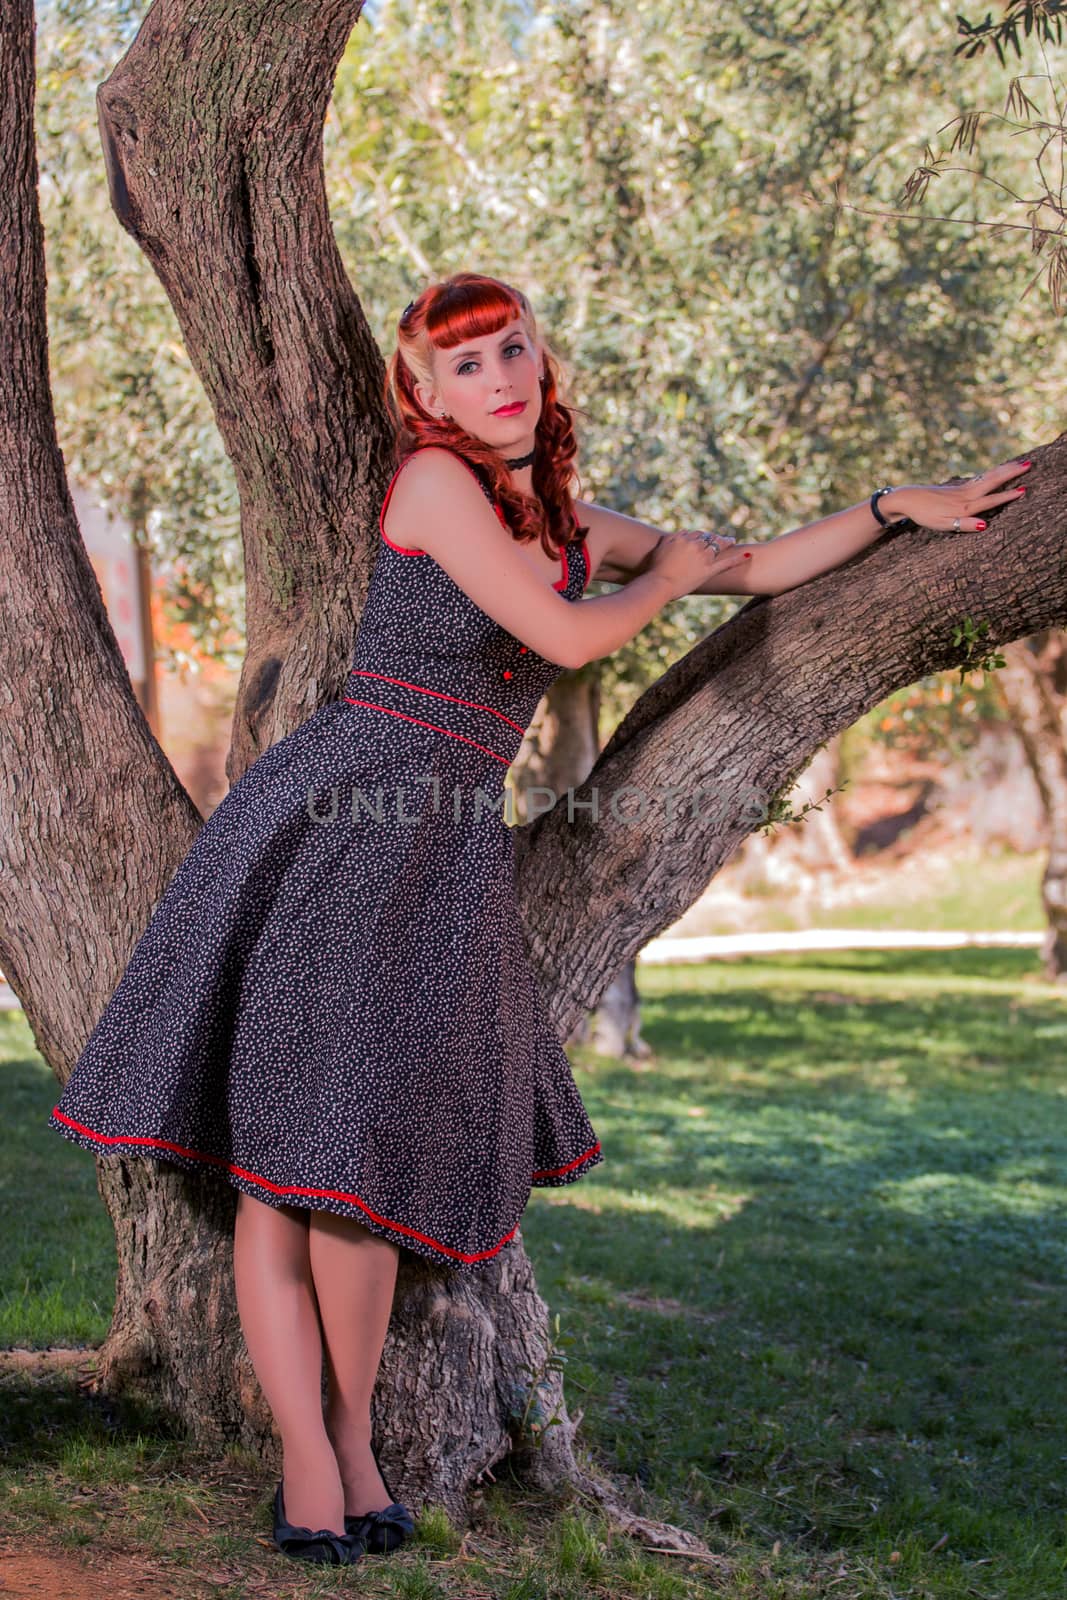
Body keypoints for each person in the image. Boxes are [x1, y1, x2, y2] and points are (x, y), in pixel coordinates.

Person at [47, 269, 1031, 1565]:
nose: (499, 379)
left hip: (438, 843)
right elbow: (566, 642)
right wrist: (663, 578)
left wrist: (898, 507)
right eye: (464, 365)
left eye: (512, 350)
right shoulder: (433, 485)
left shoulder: (569, 519)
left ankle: (351, 1443)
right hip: (339, 818)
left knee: (350, 1177)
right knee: (285, 1179)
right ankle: (307, 1457)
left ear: (541, 358)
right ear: (422, 394)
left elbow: (751, 566)